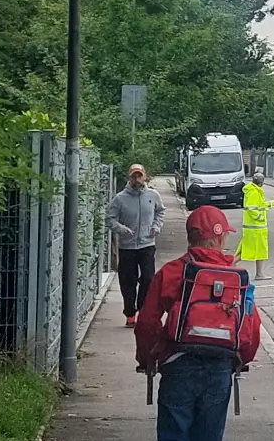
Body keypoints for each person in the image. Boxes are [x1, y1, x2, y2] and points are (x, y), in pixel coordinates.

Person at [136, 206, 261, 441]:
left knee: (173, 432)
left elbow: (147, 321)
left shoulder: (172, 272)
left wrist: (148, 358)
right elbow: (250, 326)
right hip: (220, 367)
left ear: (189, 237)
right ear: (221, 236)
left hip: (177, 364)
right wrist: (241, 359)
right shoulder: (236, 278)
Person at [108, 163, 167, 328]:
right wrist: (121, 229)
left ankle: (142, 308)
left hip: (147, 244)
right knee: (128, 282)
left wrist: (156, 226)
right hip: (127, 247)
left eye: (139, 176)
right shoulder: (120, 198)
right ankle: (130, 313)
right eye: (134, 176)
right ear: (129, 178)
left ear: (145, 177)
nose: (137, 179)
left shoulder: (152, 195)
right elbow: (110, 219)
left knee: (148, 278)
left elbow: (160, 211)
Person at [240, 171, 274, 280]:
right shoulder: (254, 192)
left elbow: (262, 205)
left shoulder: (254, 191)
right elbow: (252, 209)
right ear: (261, 183)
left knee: (258, 251)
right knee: (245, 250)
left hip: (255, 228)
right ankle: (227, 268)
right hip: (255, 228)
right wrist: (260, 218)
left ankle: (259, 274)